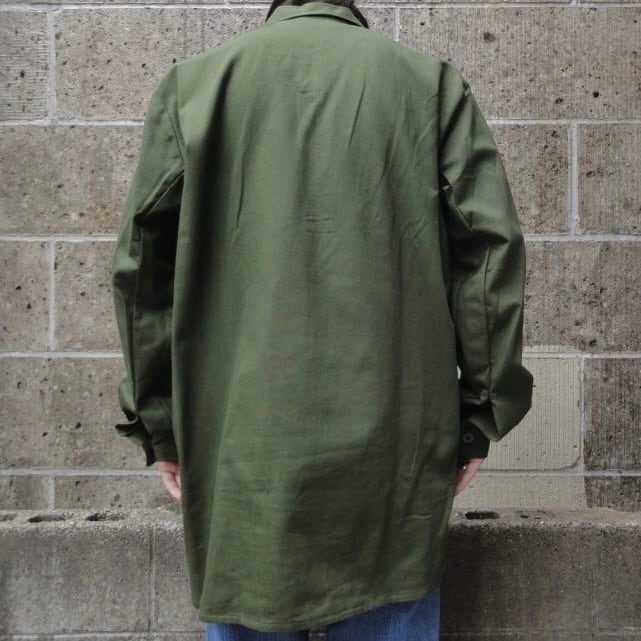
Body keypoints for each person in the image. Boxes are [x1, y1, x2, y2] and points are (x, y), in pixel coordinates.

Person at [110, 0, 534, 639]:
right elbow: (488, 255)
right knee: (393, 596)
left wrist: (160, 424)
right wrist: (478, 417)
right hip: (393, 458)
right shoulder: (430, 86)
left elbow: (142, 273)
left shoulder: (194, 87)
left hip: (243, 460)